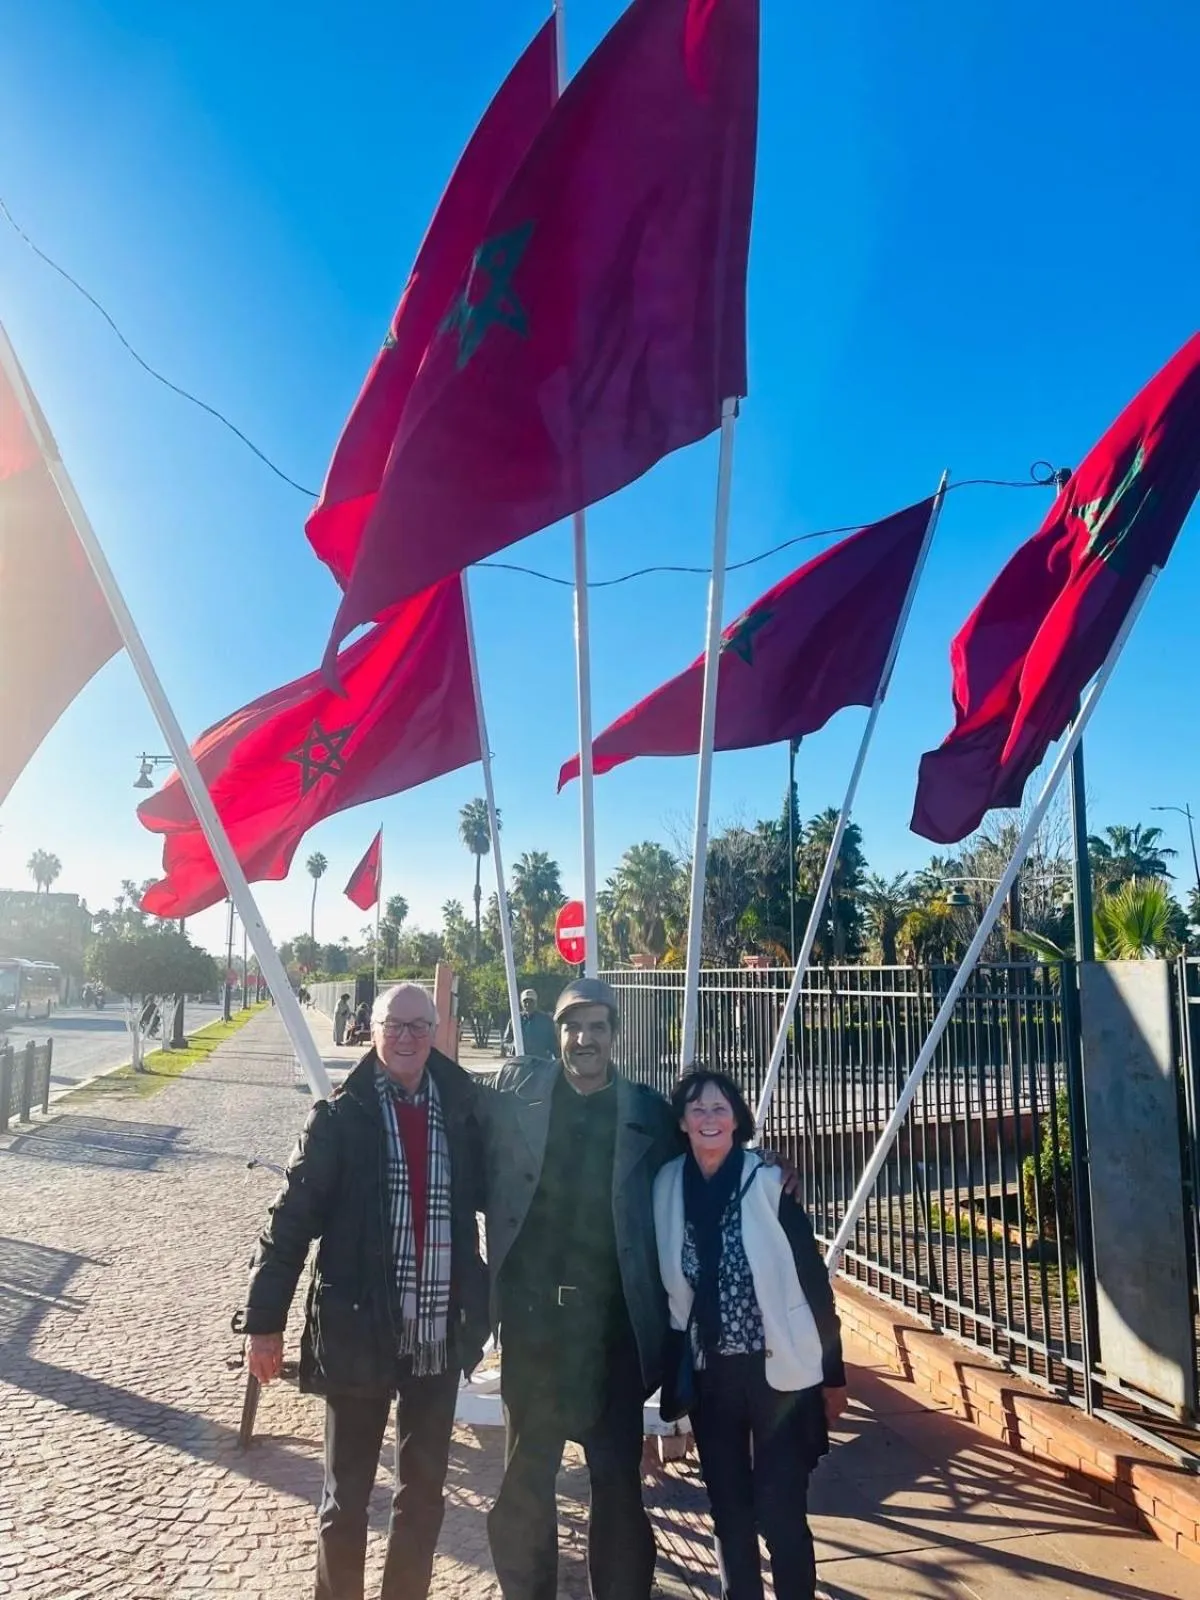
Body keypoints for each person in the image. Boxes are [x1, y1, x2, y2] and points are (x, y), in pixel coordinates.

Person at [243, 982, 489, 1600]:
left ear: (435, 1033)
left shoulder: (462, 1110)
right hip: (357, 1331)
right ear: (372, 1031)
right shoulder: (341, 1116)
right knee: (345, 1498)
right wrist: (264, 1320)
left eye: (418, 1026)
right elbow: (291, 1219)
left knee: (423, 1498)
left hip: (437, 1332)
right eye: (395, 1026)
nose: (407, 1038)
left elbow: (511, 1188)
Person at [484, 977, 678, 1600]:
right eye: (573, 1026)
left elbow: (709, 1160)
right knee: (524, 1485)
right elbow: (449, 1095)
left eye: (597, 1027)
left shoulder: (647, 1110)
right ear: (557, 1032)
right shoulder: (521, 1092)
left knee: (618, 1489)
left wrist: (767, 1169)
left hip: (611, 1332)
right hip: (535, 1327)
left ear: (614, 1035)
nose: (583, 1039)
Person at [653, 1069, 847, 1600]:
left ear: (738, 1119)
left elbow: (812, 1281)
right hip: (711, 1375)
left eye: (720, 1108)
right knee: (729, 1512)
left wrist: (833, 1374)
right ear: (682, 1122)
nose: (709, 1118)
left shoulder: (767, 1183)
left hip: (779, 1374)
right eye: (698, 1109)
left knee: (781, 1511)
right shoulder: (666, 1185)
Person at [502, 989, 557, 1061]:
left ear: (536, 1002)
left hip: (542, 1064)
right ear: (521, 1003)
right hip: (521, 1062)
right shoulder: (515, 1020)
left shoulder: (546, 1020)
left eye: (531, 1001)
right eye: (525, 1002)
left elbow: (554, 1044)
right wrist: (511, 1047)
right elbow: (506, 1041)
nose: (528, 1004)